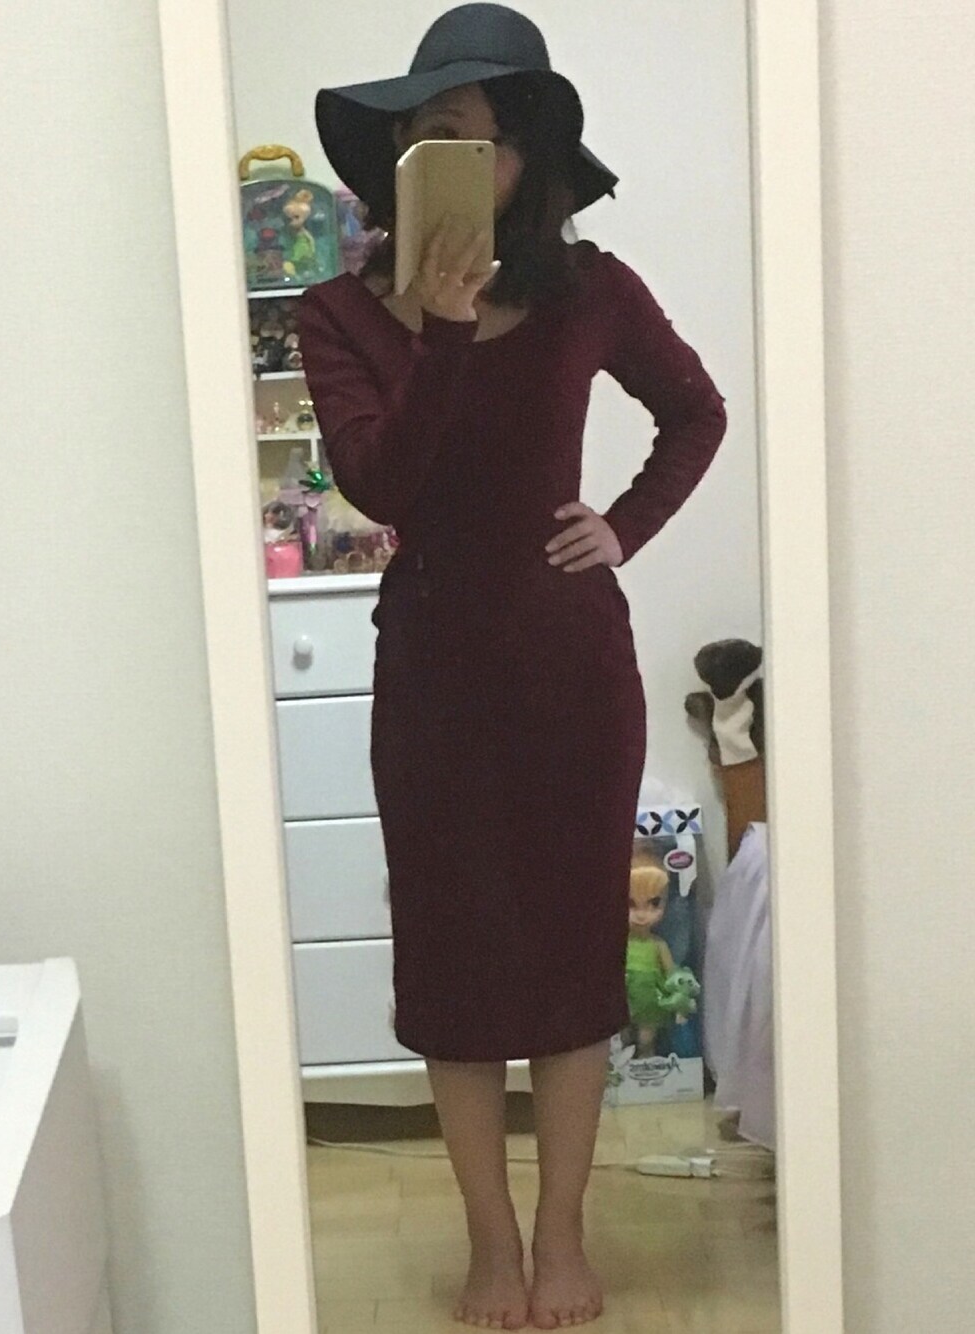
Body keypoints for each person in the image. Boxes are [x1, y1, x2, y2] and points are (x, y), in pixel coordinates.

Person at [299, 5, 727, 1328]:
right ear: (400, 158)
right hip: (434, 675)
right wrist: (436, 329)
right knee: (453, 965)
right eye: (435, 134)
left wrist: (624, 527)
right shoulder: (340, 314)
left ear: (527, 159)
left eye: (484, 139)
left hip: (568, 673)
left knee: (571, 960)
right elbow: (382, 485)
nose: (461, 159)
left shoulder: (593, 290)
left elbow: (696, 411)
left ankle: (562, 1236)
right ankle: (490, 1243)